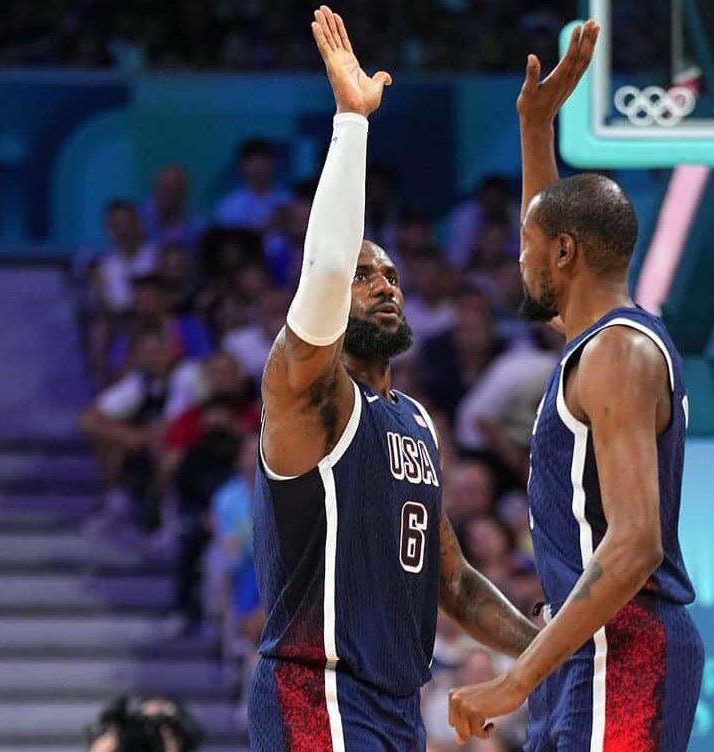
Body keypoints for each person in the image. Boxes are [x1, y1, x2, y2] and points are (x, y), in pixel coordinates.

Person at [249, 8, 538, 750]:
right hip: (319, 689)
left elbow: (456, 581)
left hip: (395, 705)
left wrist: (542, 652)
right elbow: (323, 271)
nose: (384, 285)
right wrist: (351, 124)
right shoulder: (305, 390)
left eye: (392, 275)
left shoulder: (412, 419)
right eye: (365, 274)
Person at [448, 20, 705, 751]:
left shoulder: (618, 355)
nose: (516, 261)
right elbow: (547, 221)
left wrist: (516, 677)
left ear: (564, 252)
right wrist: (536, 127)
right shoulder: (603, 341)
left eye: (527, 248)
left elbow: (634, 544)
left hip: (624, 649)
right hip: (587, 648)